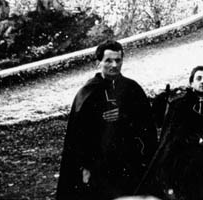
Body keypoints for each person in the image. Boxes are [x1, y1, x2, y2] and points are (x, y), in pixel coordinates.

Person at [56, 40, 157, 200]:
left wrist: (124, 115)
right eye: (108, 60)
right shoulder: (88, 93)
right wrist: (85, 167)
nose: (114, 65)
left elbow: (146, 124)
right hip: (100, 165)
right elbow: (78, 136)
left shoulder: (132, 88)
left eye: (118, 60)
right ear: (98, 63)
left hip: (129, 162)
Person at [138, 66, 203, 200]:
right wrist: (195, 141)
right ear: (191, 83)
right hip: (185, 158)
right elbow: (172, 137)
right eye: (199, 78)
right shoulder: (179, 106)